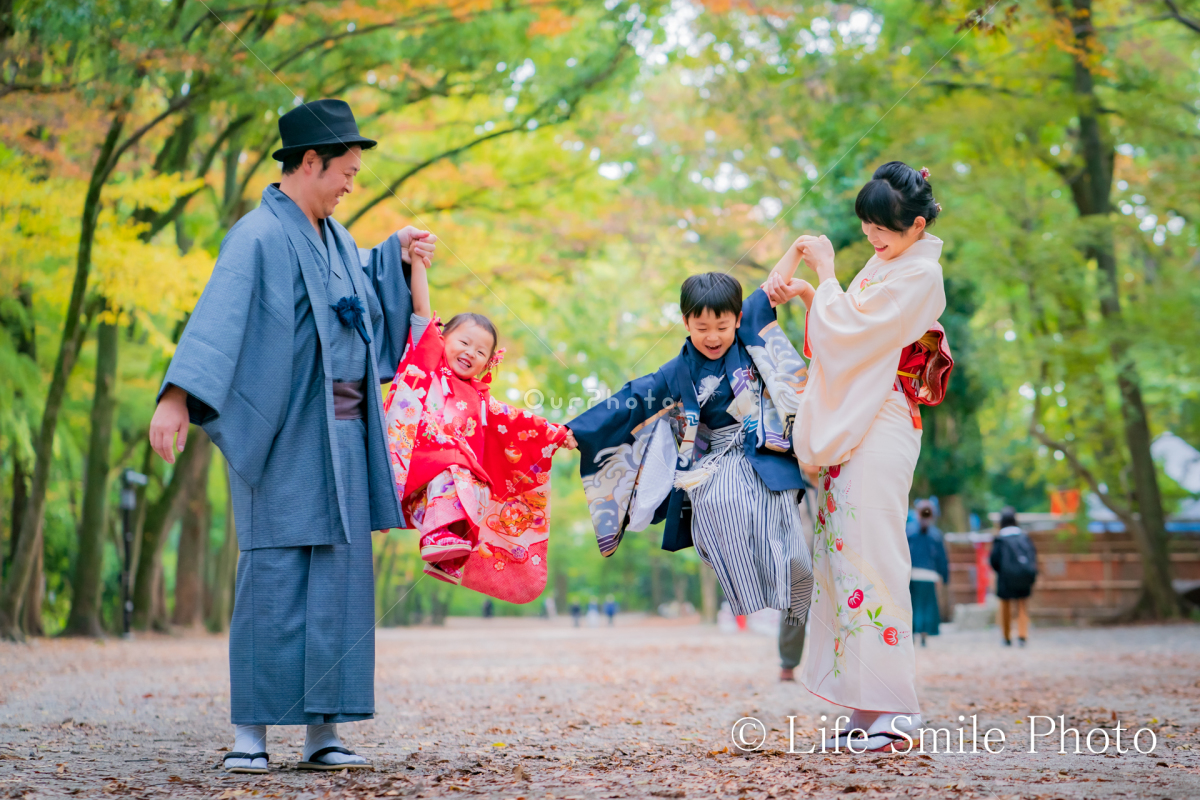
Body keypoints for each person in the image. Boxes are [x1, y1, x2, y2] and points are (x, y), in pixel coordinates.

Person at [147, 99, 437, 773]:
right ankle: (251, 735)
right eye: (346, 172)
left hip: (344, 432)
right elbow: (218, 318)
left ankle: (322, 735)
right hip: (283, 430)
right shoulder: (256, 234)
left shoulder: (335, 238)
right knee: (275, 573)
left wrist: (394, 254)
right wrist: (176, 397)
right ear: (311, 162)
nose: (350, 185)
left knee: (338, 580)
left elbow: (360, 294)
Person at [766, 161, 953, 753]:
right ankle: (864, 704)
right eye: (869, 229)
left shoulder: (922, 274)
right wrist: (807, 295)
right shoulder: (891, 264)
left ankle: (894, 709)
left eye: (884, 231)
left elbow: (852, 335)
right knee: (845, 557)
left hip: (883, 420)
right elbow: (847, 330)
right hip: (861, 422)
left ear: (917, 225)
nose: (873, 240)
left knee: (875, 554)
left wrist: (822, 271)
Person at [566, 270, 813, 629]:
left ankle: (797, 594)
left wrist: (800, 250)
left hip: (761, 449)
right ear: (685, 322)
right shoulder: (677, 371)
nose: (713, 337)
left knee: (786, 535)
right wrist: (576, 429)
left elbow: (770, 288)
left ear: (738, 318)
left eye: (722, 327)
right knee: (715, 503)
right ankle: (750, 593)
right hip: (712, 459)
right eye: (701, 328)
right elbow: (634, 398)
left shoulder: (746, 337)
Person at [381, 256, 576, 591]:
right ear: (442, 339)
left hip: (435, 483)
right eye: (464, 342)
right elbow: (421, 307)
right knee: (456, 471)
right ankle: (439, 536)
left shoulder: (480, 400)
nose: (471, 352)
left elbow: (519, 420)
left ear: (488, 363)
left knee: (479, 485)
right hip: (406, 457)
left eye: (482, 351)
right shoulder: (426, 357)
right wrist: (418, 262)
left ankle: (448, 553)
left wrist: (556, 434)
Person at [990, 507, 1038, 646]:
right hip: (1023, 575)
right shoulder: (1024, 537)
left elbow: (994, 560)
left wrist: (1002, 571)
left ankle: (1006, 637)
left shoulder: (1000, 539)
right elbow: (1033, 556)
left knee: (1005, 606)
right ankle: (1022, 635)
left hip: (1005, 577)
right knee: (1022, 605)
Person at [907, 500, 949, 647]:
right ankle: (924, 635)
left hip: (912, 574)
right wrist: (944, 576)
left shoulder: (909, 532)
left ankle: (911, 633)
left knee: (912, 605)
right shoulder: (936, 535)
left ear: (917, 513)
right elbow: (942, 558)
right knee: (927, 605)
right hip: (930, 576)